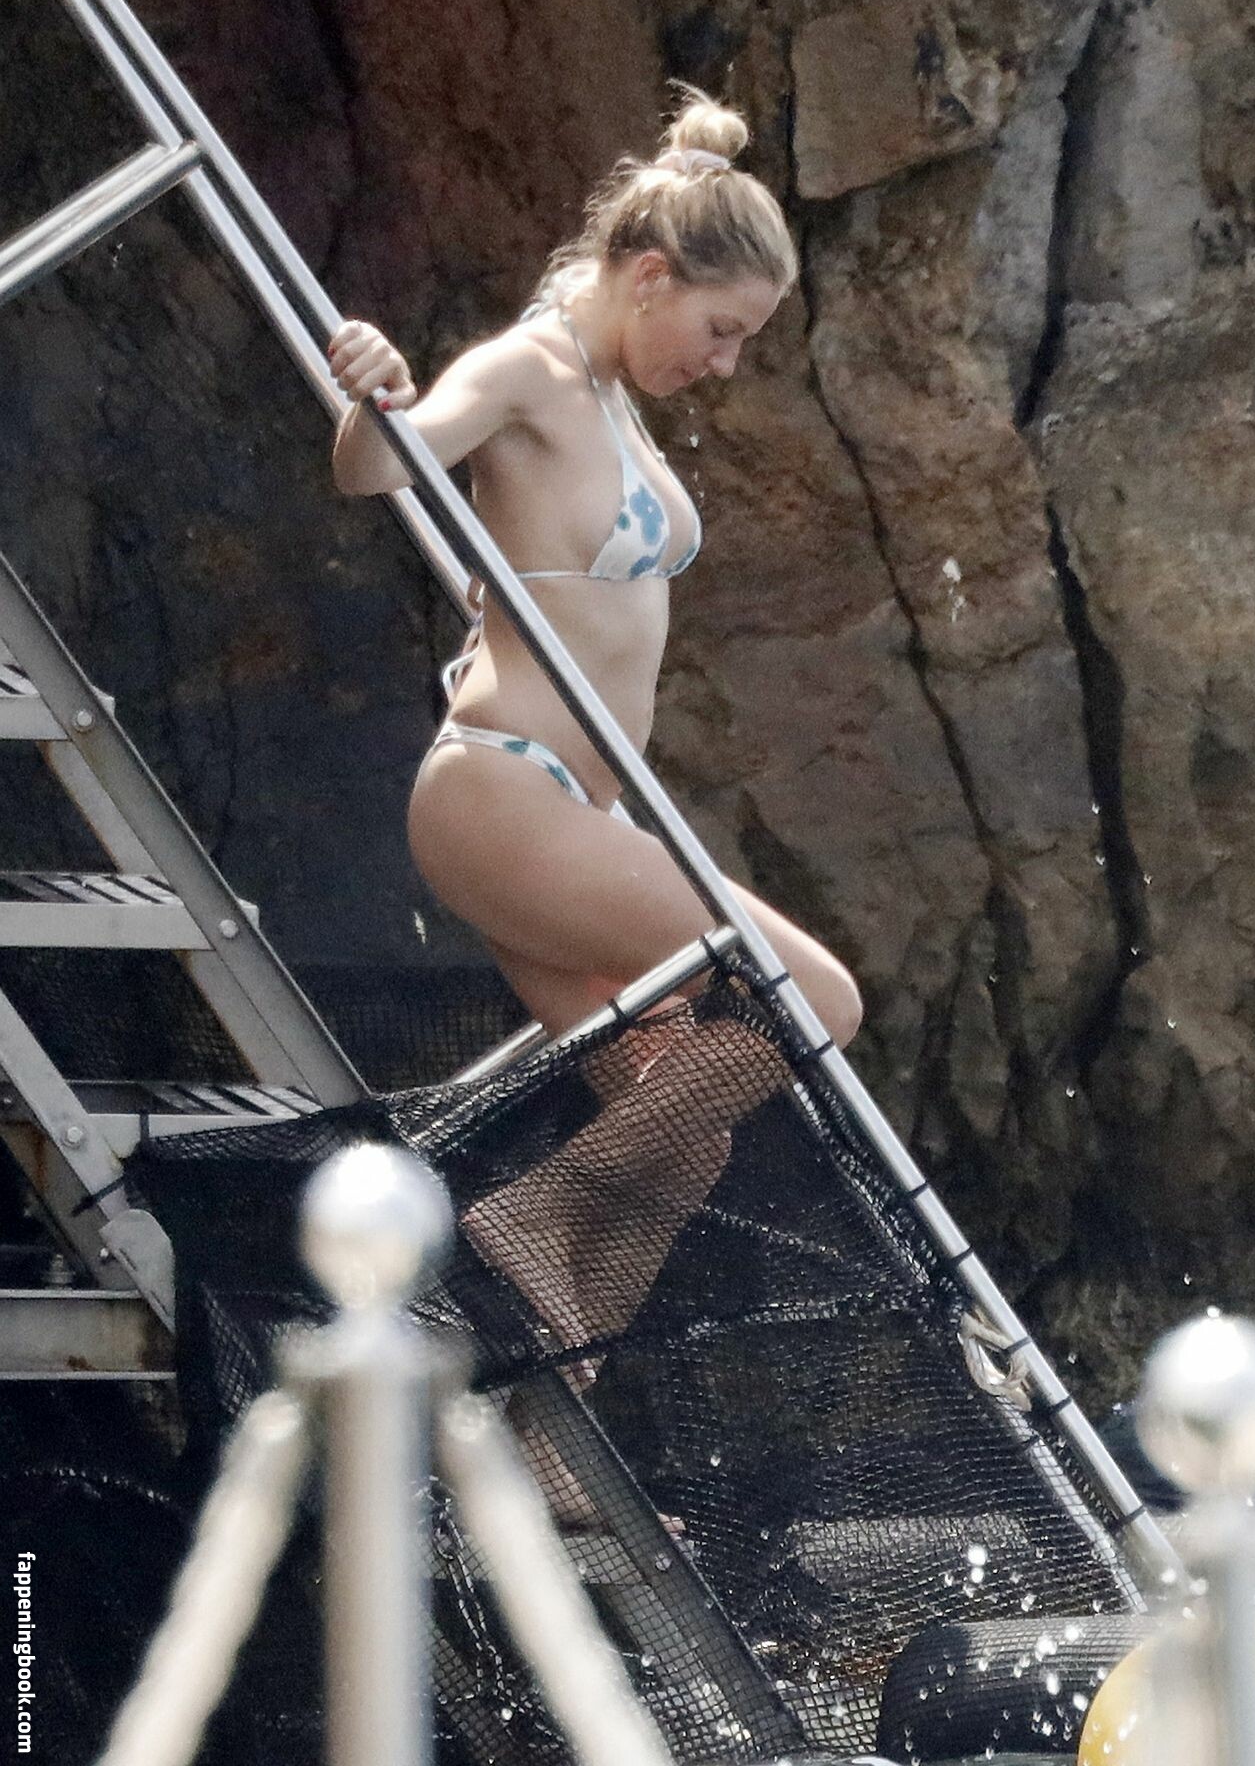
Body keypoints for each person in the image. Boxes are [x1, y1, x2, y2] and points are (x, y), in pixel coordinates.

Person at [328, 88, 862, 1500]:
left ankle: (547, 1457)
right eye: (722, 330)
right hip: (502, 796)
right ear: (650, 277)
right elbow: (380, 464)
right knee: (813, 1001)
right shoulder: (526, 370)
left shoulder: (613, 397)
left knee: (681, 1143)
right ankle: (530, 1216)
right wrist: (373, 386)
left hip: (578, 814)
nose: (725, 364)